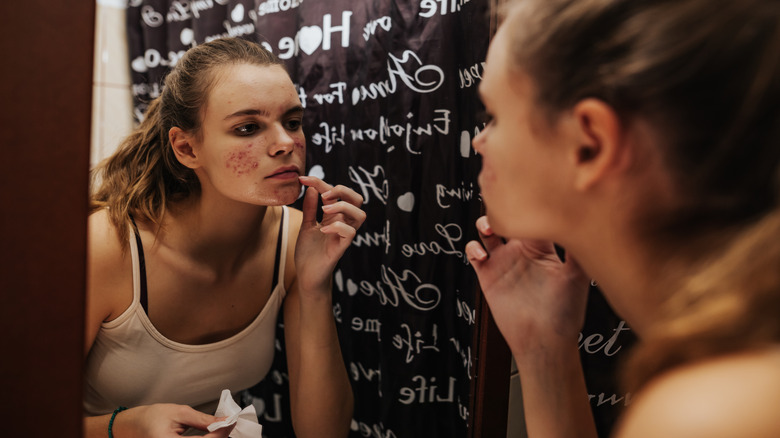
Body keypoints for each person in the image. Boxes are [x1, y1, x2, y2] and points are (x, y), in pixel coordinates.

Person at [465, 0, 780, 437]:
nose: (480, 142)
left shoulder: (713, 412)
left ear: (589, 143)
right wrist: (545, 350)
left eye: (494, 116)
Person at [84, 37, 364, 438]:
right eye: (248, 127)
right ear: (186, 148)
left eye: (293, 122)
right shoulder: (110, 246)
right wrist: (126, 426)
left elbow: (325, 433)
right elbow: (20, 416)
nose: (286, 143)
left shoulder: (295, 243)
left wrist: (316, 285)